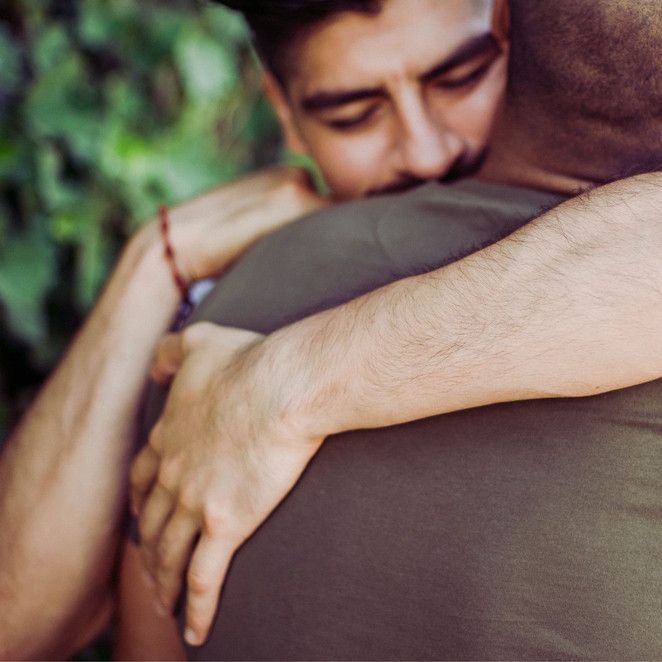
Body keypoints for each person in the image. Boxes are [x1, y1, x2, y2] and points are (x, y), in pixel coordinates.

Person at [0, 0, 660, 658]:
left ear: (510, 33)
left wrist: (284, 385)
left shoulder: (238, 318)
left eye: (460, 78)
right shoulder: (205, 312)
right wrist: (152, 265)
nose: (425, 153)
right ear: (284, 113)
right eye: (353, 115)